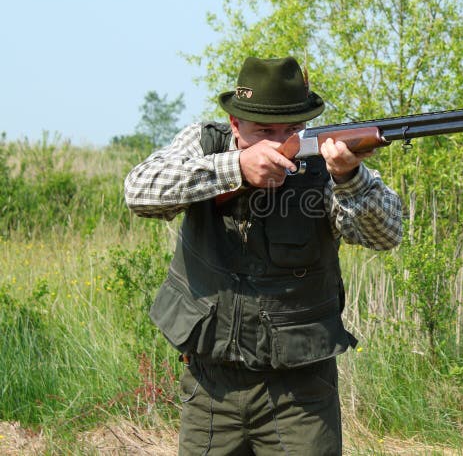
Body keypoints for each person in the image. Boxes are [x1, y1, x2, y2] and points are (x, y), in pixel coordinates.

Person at [124, 56, 403, 455]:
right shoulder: (205, 143)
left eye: (291, 129)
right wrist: (234, 168)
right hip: (210, 385)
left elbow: (386, 233)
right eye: (264, 131)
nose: (278, 142)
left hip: (300, 391)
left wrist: (350, 178)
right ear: (235, 124)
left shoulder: (323, 160)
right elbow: (139, 190)